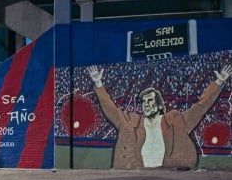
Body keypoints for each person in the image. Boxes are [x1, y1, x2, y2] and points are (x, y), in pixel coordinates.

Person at [87, 64, 232, 169]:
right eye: (144, 102)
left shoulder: (175, 121)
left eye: (150, 101)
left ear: (160, 105)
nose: (146, 104)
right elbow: (111, 110)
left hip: (169, 178)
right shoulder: (131, 122)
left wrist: (218, 83)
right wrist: (98, 84)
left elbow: (200, 108)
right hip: (137, 178)